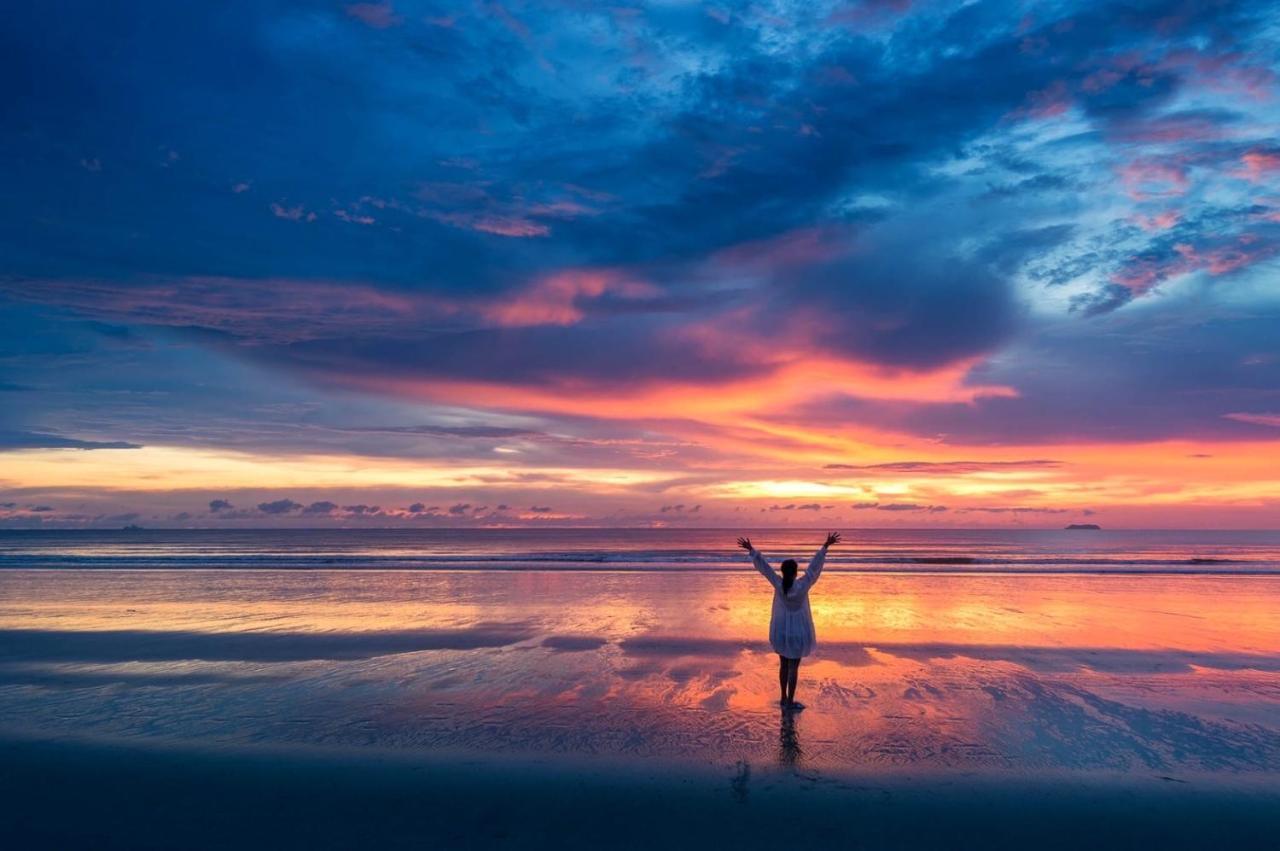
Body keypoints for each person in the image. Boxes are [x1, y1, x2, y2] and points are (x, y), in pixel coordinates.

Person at [737, 531, 841, 711]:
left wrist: (752, 550)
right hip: (799, 633)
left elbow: (766, 569)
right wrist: (825, 546)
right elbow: (814, 568)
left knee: (784, 665)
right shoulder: (802, 584)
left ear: (783, 572)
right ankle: (790, 701)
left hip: (782, 632)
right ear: (795, 573)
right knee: (794, 668)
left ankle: (783, 698)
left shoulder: (779, 584)